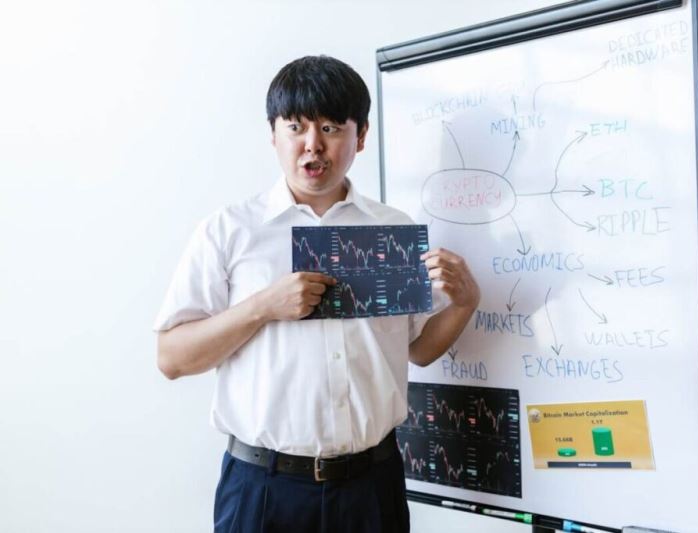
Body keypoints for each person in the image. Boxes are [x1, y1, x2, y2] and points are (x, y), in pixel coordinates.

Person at [153, 55, 480, 533]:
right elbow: (171, 358)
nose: (313, 144)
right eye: (296, 127)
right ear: (273, 135)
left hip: (372, 485)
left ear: (360, 136)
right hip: (264, 488)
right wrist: (263, 307)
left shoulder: (393, 230)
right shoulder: (229, 231)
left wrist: (465, 303)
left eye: (330, 128)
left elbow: (418, 349)